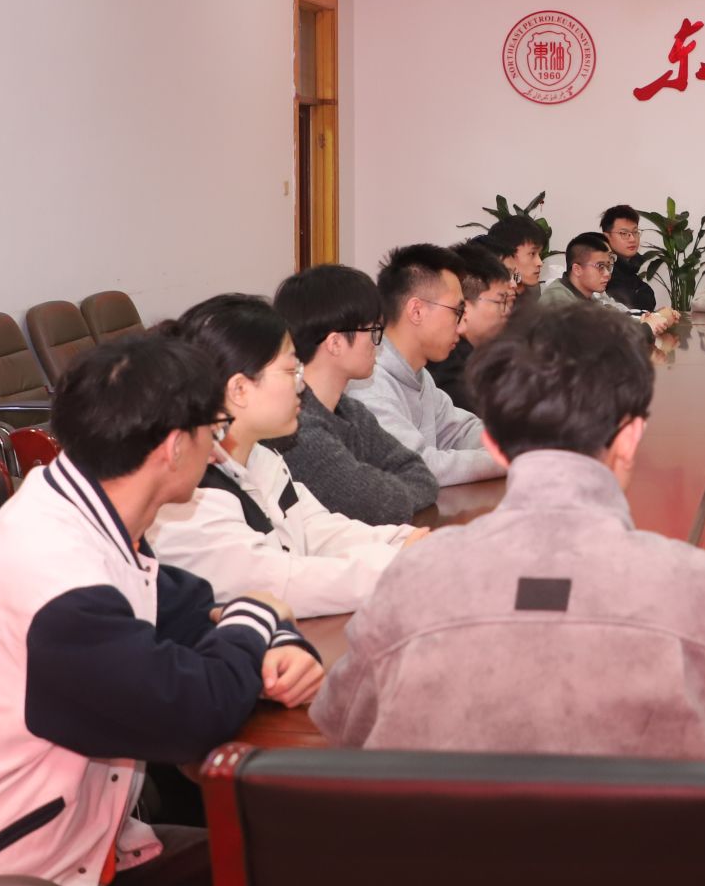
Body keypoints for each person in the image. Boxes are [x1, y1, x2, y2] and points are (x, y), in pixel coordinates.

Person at [0, 334, 324, 886]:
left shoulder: (76, 506)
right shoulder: (56, 577)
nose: (218, 451)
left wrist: (278, 639)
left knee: (307, 864)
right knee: (304, 877)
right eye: (214, 430)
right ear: (173, 447)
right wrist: (260, 613)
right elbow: (194, 714)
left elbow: (192, 609)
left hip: (65, 844)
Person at [313, 301, 705, 792]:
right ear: (631, 437)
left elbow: (343, 727)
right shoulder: (701, 593)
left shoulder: (411, 582)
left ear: (493, 443)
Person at [149, 295, 423, 618]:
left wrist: (408, 542)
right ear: (239, 389)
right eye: (291, 370)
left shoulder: (262, 457)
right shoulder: (189, 491)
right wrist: (404, 562)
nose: (301, 385)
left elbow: (320, 530)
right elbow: (281, 584)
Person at [270, 264, 439, 527]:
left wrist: (376, 486)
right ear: (335, 343)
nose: (377, 343)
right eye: (372, 331)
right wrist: (379, 487)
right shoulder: (297, 428)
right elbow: (375, 506)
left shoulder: (351, 411)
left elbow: (421, 474)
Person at [351, 243, 504, 486]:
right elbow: (417, 466)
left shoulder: (419, 374)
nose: (461, 325)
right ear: (417, 311)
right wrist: (502, 458)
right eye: (457, 311)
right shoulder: (369, 382)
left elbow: (460, 431)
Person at [428, 241, 517, 411]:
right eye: (500, 301)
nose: (506, 311)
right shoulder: (447, 368)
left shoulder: (478, 354)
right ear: (464, 307)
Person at [543, 231, 678, 335]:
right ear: (577, 269)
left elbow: (618, 320)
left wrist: (653, 318)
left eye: (608, 266)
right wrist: (647, 328)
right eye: (600, 266)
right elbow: (593, 341)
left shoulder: (589, 297)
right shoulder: (557, 300)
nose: (607, 273)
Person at [601, 204, 660, 311]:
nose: (632, 239)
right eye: (624, 233)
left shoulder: (632, 272)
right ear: (606, 237)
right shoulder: (602, 274)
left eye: (635, 232)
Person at [483, 215, 548, 298]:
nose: (540, 263)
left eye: (540, 254)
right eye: (532, 253)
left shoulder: (532, 291)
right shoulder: (485, 294)